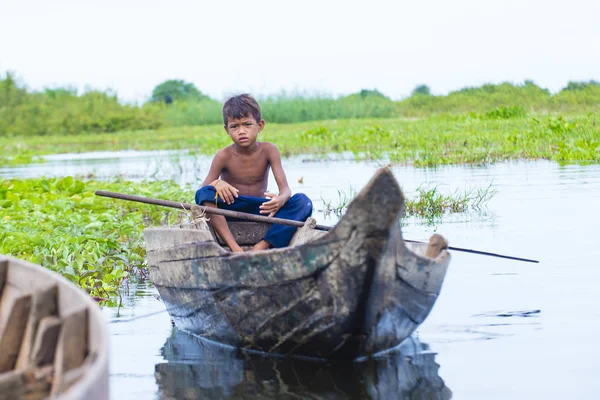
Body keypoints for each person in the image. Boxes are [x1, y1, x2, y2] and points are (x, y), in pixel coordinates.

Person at [194, 94, 313, 252]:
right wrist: (217, 183)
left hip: (262, 209)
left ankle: (262, 245)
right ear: (226, 130)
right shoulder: (223, 156)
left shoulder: (269, 150)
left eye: (247, 124)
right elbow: (202, 192)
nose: (241, 131)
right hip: (231, 208)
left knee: (303, 202)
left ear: (260, 125)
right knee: (205, 195)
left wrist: (280, 200)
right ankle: (235, 249)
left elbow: (286, 190)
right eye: (234, 126)